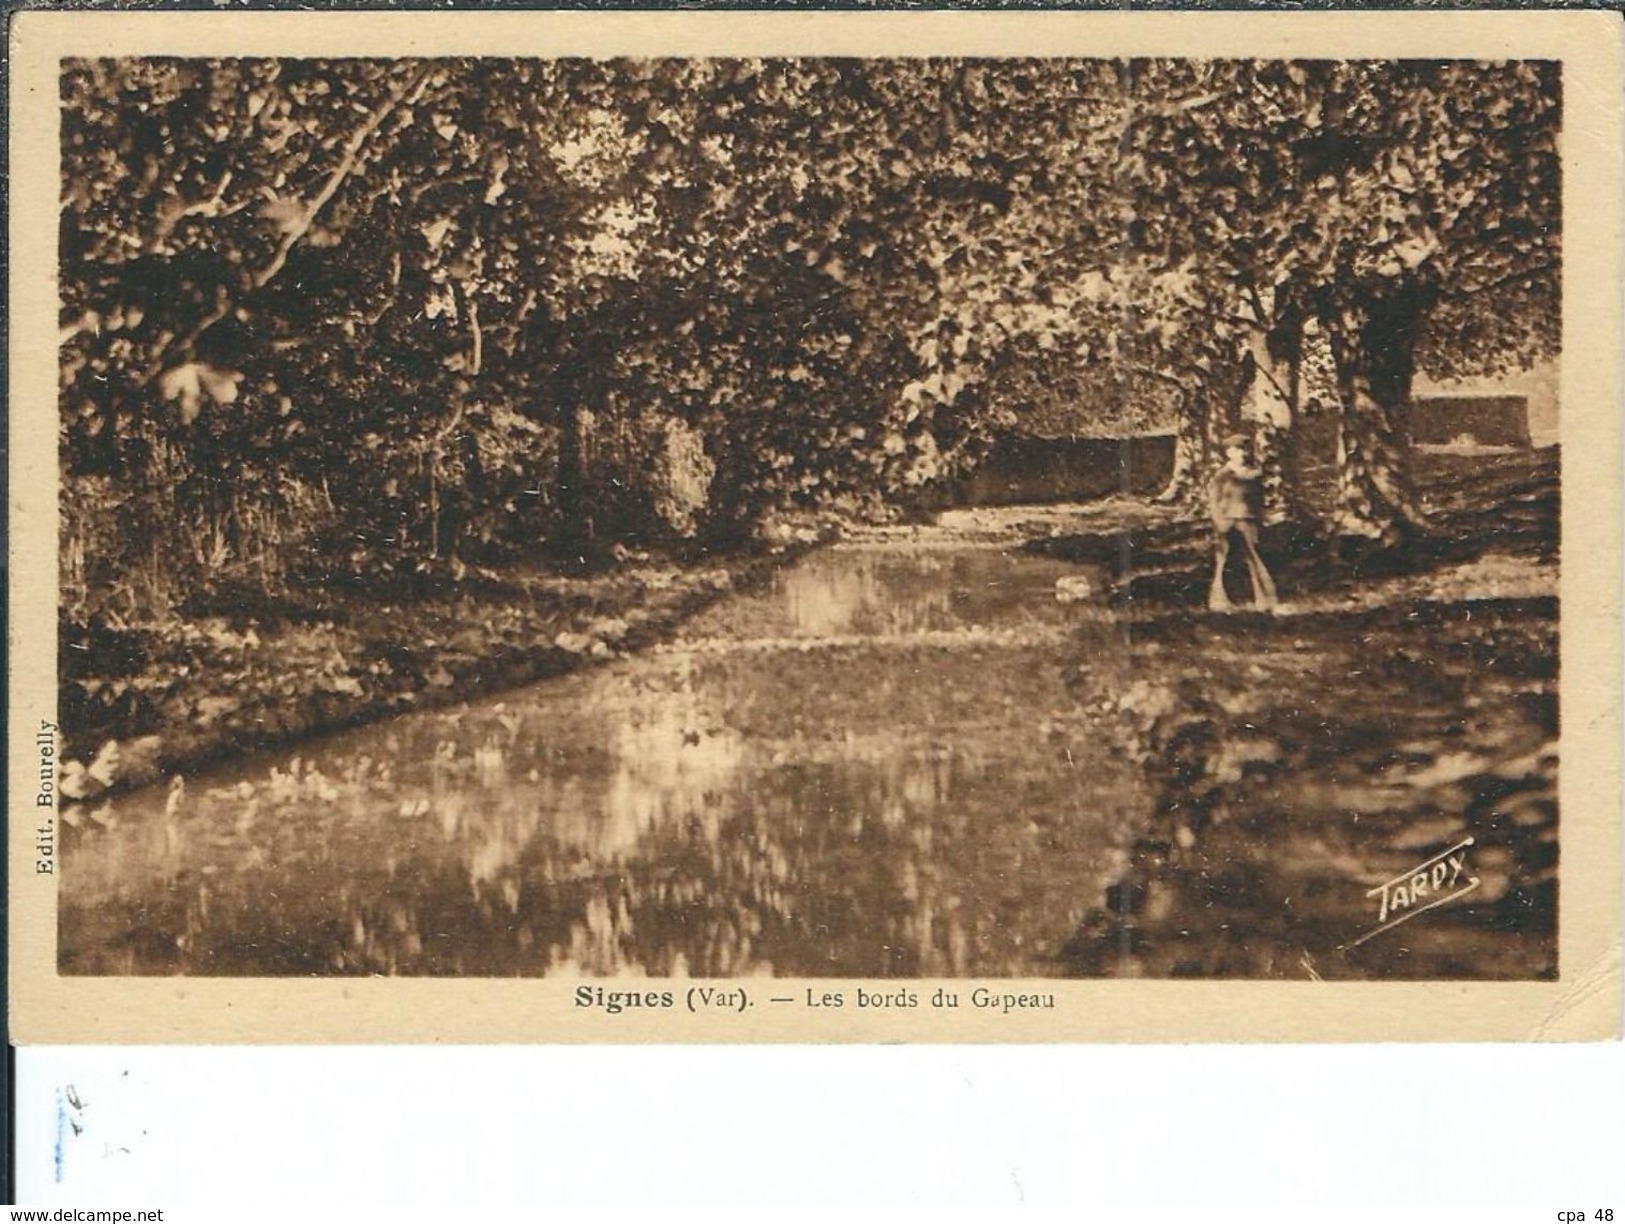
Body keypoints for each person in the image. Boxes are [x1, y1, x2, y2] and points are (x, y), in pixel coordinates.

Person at [1207, 433, 1278, 612]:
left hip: (1249, 521)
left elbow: (1259, 500)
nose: (1242, 454)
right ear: (1228, 453)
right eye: (1236, 450)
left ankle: (1265, 601)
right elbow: (1214, 501)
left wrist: (1261, 518)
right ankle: (1220, 602)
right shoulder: (1222, 475)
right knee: (1224, 560)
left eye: (1244, 449)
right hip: (1227, 521)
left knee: (1254, 559)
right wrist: (1219, 523)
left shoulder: (1254, 474)